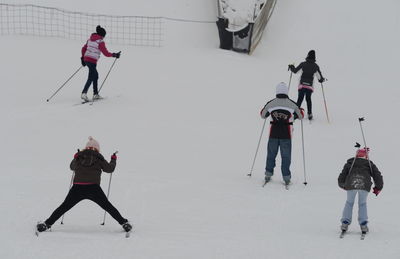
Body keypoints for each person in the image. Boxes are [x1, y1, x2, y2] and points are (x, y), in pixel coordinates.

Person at [36, 136, 132, 233]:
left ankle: (46, 224)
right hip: (94, 188)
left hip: (77, 188)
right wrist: (113, 159)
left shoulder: (79, 157)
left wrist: (75, 158)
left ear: (86, 148)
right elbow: (110, 169)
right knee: (107, 206)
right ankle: (124, 223)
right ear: (97, 149)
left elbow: (72, 167)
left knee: (64, 207)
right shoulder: (99, 158)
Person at [260, 82, 304, 185]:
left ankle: (268, 174)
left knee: (271, 154)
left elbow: (263, 115)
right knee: (286, 156)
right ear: (286, 91)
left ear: (277, 91)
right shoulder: (292, 104)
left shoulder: (271, 103)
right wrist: (299, 112)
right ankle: (286, 177)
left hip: (273, 134)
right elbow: (301, 115)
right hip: (286, 135)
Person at [338, 147, 383, 234]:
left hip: (351, 184)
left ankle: (345, 223)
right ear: (366, 156)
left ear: (356, 155)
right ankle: (363, 224)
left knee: (349, 203)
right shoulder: (369, 164)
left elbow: (342, 175)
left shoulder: (350, 163)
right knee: (362, 204)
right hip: (364, 185)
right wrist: (378, 187)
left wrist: (342, 184)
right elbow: (377, 175)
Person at [80, 25, 121, 101]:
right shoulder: (100, 42)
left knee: (95, 76)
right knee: (91, 76)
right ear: (102, 35)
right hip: (92, 61)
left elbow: (83, 49)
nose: (103, 38)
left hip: (87, 59)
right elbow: (105, 53)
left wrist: (83, 58)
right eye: (104, 36)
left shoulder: (89, 40)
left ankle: (95, 94)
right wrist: (114, 55)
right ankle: (84, 93)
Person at [288, 50, 325, 120]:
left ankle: (296, 113)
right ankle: (309, 114)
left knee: (300, 99)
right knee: (308, 99)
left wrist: (291, 67)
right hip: (309, 86)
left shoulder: (303, 64)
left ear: (307, 55)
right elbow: (320, 78)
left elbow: (295, 71)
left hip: (302, 84)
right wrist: (322, 80)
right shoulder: (316, 66)